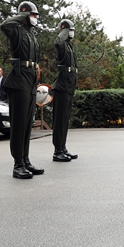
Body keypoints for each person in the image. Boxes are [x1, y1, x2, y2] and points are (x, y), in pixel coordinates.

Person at [1, 1, 43, 180]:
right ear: (25, 16)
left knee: (27, 124)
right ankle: (17, 164)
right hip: (18, 80)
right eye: (32, 15)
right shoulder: (16, 30)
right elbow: (4, 25)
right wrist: (23, 15)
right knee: (18, 124)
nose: (35, 18)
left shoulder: (31, 34)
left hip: (30, 79)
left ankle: (25, 160)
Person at [51, 18, 79, 163]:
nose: (72, 33)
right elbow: (57, 42)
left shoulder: (69, 46)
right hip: (62, 87)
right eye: (70, 30)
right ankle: (57, 151)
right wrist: (63, 30)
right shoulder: (62, 45)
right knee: (59, 120)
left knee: (65, 120)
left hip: (68, 86)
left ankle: (63, 148)